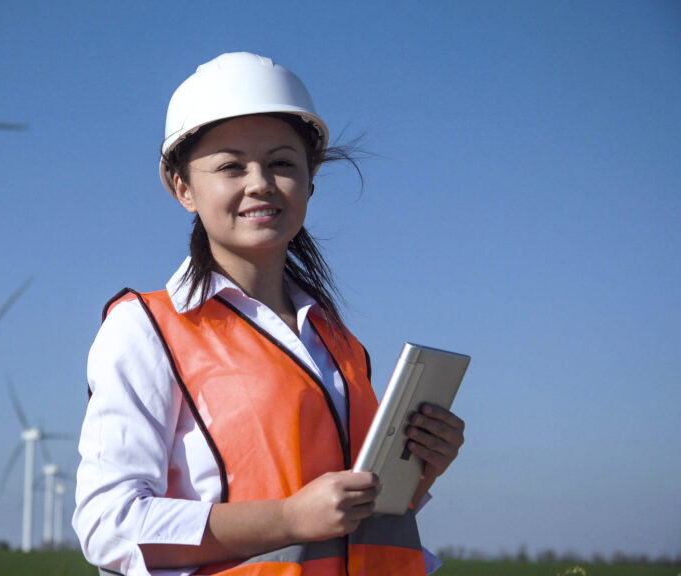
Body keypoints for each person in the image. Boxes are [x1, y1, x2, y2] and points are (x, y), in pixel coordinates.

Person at [73, 52, 465, 576]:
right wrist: (286, 518)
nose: (260, 182)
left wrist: (420, 470)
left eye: (282, 163)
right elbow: (109, 525)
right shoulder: (146, 329)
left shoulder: (338, 342)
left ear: (310, 181)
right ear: (182, 187)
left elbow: (346, 521)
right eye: (231, 166)